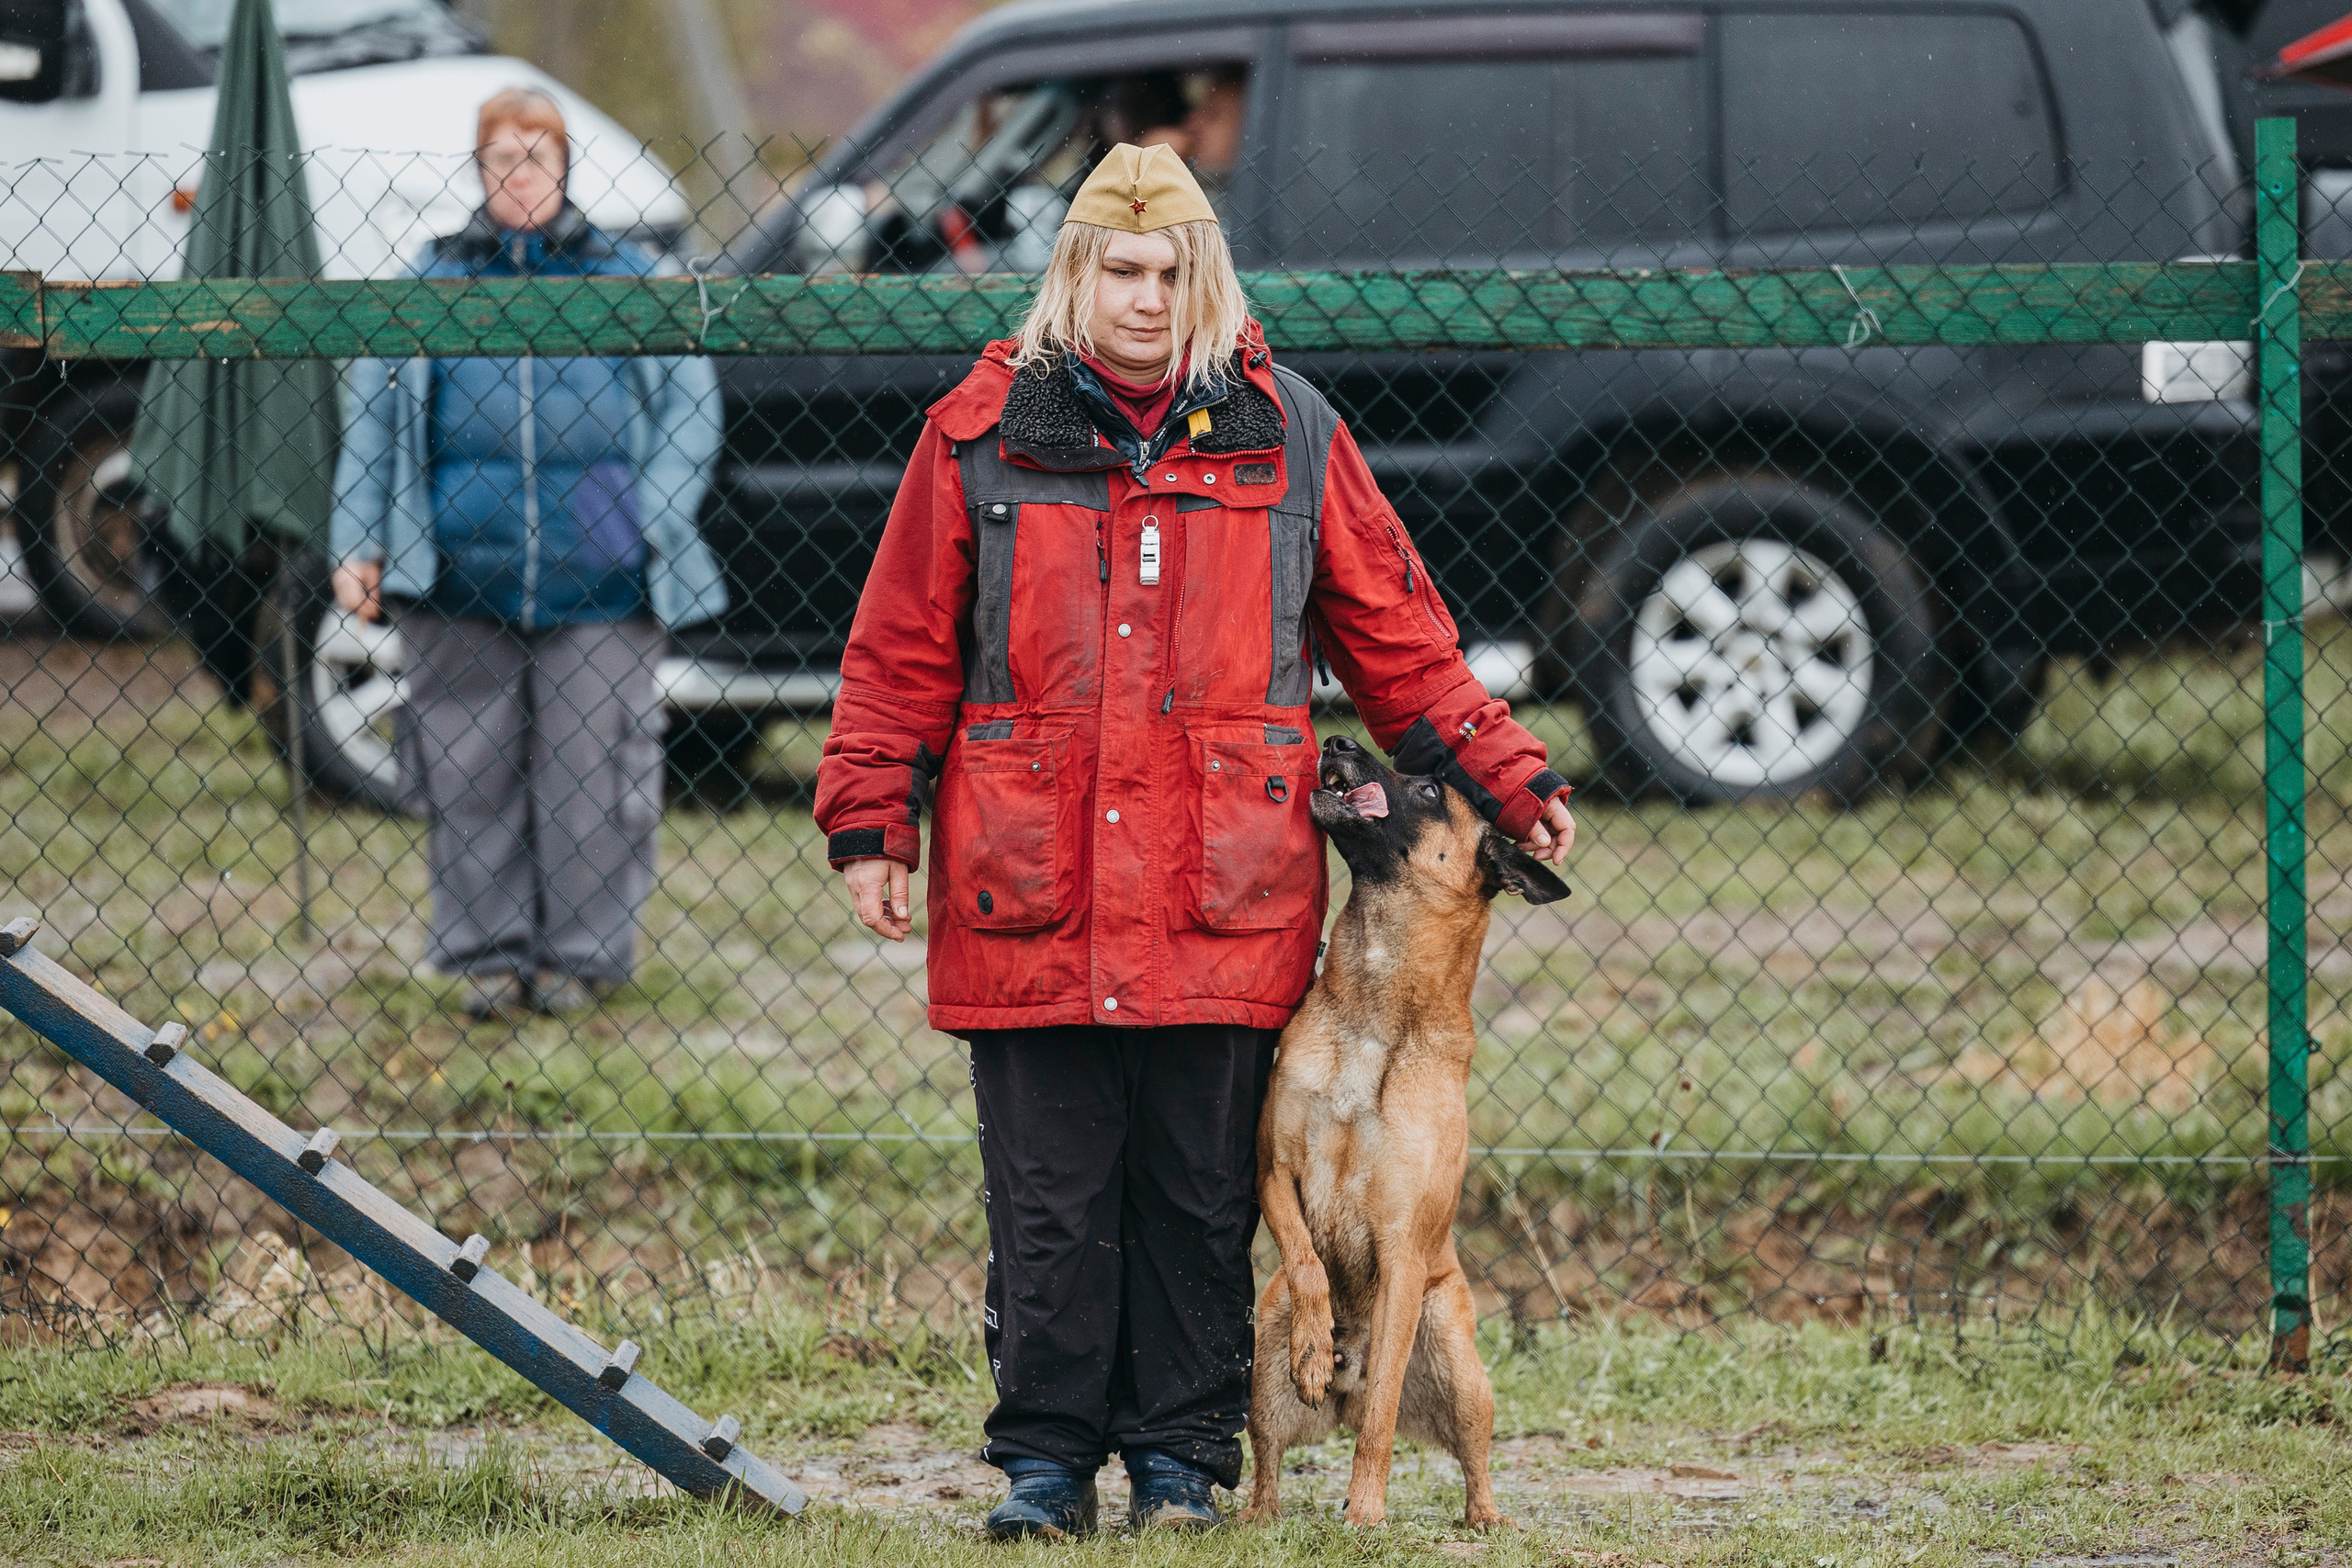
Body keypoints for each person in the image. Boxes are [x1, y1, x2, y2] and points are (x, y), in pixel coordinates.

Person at [815, 143, 1574, 1538]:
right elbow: (900, 646)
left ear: (1204, 280)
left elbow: (1398, 638)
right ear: (1075, 275)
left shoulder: (1291, 434)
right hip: (1026, 884)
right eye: (1121, 269)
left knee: (1195, 1189)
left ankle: (1180, 1459)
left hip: (1221, 888)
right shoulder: (979, 434)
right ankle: (1046, 1462)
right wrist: (873, 819)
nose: (1147, 298)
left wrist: (1505, 773)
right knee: (1051, 1197)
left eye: (1172, 273)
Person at [328, 86, 726, 1021]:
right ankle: (487, 956)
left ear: (564, 167)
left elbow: (690, 409)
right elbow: (372, 420)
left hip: (603, 580)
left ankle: (579, 959)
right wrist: (358, 539)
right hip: (460, 576)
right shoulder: (429, 286)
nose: (519, 174)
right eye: (500, 157)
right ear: (477, 171)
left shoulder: (630, 281)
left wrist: (645, 519)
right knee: (469, 772)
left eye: (536, 155)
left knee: (592, 776)